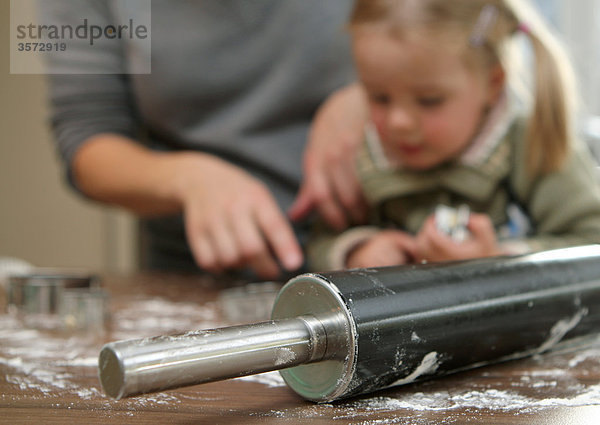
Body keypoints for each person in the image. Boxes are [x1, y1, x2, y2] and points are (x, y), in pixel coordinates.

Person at [38, 0, 369, 279]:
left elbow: (415, 27)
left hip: (371, 246)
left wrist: (374, 91)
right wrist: (186, 177)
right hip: (198, 273)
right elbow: (85, 135)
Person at [308, 0, 600, 271]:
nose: (398, 122)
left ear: (493, 83)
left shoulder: (535, 146)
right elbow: (317, 243)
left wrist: (497, 260)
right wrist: (355, 252)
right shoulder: (362, 151)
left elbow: (591, 244)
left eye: (429, 100)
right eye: (378, 97)